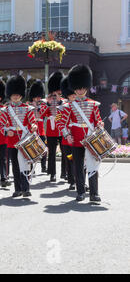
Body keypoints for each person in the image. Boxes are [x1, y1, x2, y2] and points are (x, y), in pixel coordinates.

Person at [57, 65, 104, 203]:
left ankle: (94, 193)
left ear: (86, 87)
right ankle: (81, 192)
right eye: (78, 88)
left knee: (92, 166)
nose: (80, 90)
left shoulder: (94, 104)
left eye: (83, 88)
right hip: (76, 140)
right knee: (78, 167)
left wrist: (100, 125)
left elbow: (98, 119)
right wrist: (67, 135)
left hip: (90, 139)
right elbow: (61, 123)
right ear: (74, 88)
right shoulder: (68, 106)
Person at [0, 75, 38, 198]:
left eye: (18, 94)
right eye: (13, 94)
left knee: (25, 164)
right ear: (10, 95)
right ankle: (17, 188)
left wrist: (34, 127)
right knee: (15, 165)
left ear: (21, 95)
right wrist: (6, 131)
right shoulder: (5, 110)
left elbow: (33, 122)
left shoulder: (27, 108)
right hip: (12, 140)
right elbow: (1, 126)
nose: (15, 96)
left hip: (24, 139)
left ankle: (26, 188)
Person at [42, 71, 66, 182]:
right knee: (51, 153)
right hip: (51, 131)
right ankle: (52, 173)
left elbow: (66, 112)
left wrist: (59, 101)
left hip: (62, 130)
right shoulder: (47, 101)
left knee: (65, 152)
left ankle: (64, 172)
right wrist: (48, 103)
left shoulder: (64, 101)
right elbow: (42, 114)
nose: (57, 93)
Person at [56, 76, 76, 191]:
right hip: (67, 139)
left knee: (82, 162)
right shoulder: (61, 108)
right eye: (71, 94)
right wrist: (66, 133)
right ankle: (72, 181)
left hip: (79, 138)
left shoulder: (83, 105)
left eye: (75, 93)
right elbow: (58, 121)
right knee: (70, 159)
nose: (74, 95)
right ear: (67, 95)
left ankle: (81, 181)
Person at [28, 80, 48, 173]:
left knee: (43, 149)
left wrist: (37, 107)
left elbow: (42, 114)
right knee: (31, 149)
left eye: (39, 97)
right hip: (31, 130)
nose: (38, 98)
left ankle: (44, 166)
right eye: (36, 97)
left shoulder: (43, 105)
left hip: (41, 130)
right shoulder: (28, 105)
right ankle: (31, 167)